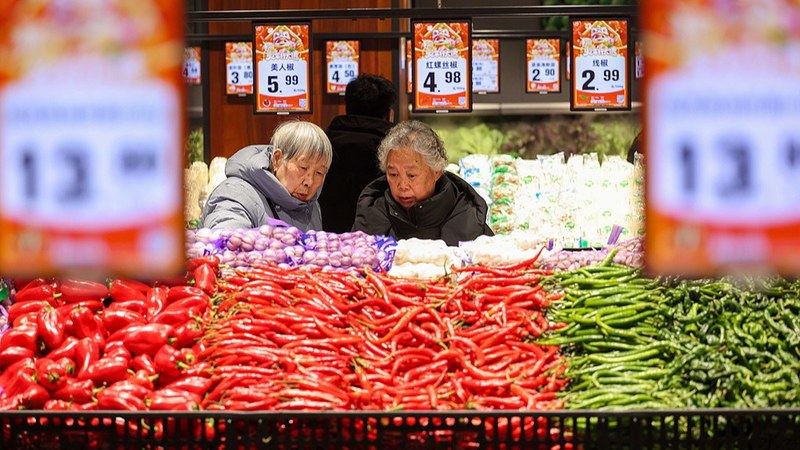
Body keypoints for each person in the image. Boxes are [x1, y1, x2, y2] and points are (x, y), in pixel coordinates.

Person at [352, 120, 494, 246]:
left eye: (412, 175)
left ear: (437, 171)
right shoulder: (371, 215)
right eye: (393, 174)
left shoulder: (468, 216)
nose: (402, 185)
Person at [201, 120, 332, 232]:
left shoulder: (310, 205)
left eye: (319, 173)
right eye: (303, 168)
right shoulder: (235, 195)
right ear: (277, 159)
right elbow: (227, 245)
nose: (309, 181)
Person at [318, 74, 397, 233]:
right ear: (388, 114)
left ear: (347, 109)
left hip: (325, 245)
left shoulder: (320, 146)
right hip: (380, 246)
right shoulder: (396, 153)